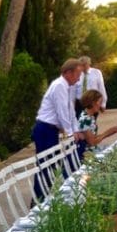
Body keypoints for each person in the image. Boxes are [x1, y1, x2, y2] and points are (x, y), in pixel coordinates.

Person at [31, 57, 91, 199]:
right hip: (45, 128)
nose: (78, 80)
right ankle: (39, 199)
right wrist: (70, 134)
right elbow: (61, 111)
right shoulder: (59, 85)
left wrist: (75, 130)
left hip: (50, 129)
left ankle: (46, 196)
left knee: (52, 163)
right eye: (77, 75)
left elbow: (70, 111)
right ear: (68, 73)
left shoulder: (67, 87)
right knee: (45, 164)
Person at [76, 88, 117, 157]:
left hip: (92, 151)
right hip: (88, 154)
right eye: (99, 103)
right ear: (92, 103)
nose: (100, 105)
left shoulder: (89, 117)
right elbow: (92, 142)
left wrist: (111, 131)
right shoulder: (85, 120)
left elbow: (93, 137)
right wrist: (107, 133)